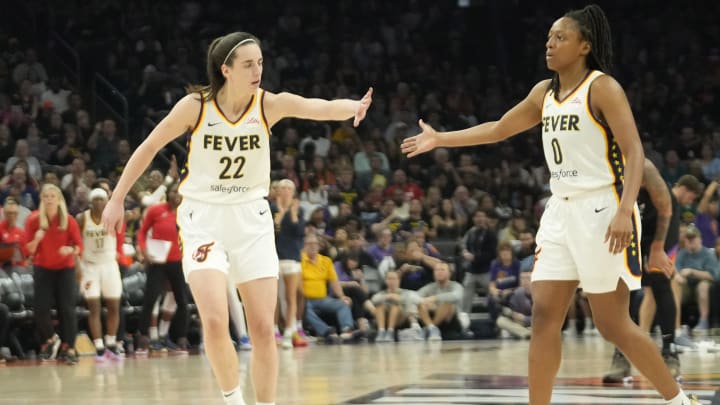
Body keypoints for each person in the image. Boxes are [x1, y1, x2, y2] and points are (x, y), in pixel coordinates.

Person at [401, 5, 697, 404]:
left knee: (612, 325)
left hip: (603, 208)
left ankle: (680, 400)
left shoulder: (602, 87)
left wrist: (626, 210)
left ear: (584, 45)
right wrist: (441, 138)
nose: (550, 44)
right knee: (543, 318)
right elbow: (499, 128)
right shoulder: (544, 92)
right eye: (548, 38)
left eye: (560, 38)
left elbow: (633, 150)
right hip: (560, 210)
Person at [102, 31, 372, 405]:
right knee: (214, 320)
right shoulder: (195, 107)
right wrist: (117, 198)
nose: (258, 70)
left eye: (260, 62)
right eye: (248, 64)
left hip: (252, 218)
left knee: (263, 327)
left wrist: (352, 106)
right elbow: (149, 146)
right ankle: (233, 400)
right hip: (203, 218)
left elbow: (315, 106)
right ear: (225, 69)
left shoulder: (268, 105)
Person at [603, 163, 698, 383]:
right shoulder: (608, 175)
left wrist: (657, 248)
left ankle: (670, 352)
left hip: (663, 223)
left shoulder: (645, 170)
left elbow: (666, 212)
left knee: (660, 279)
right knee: (622, 286)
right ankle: (622, 353)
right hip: (631, 224)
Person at [25, 183, 82, 364]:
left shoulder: (69, 220)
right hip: (43, 267)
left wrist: (70, 250)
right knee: (40, 309)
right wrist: (36, 239)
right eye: (45, 196)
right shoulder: (33, 220)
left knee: (67, 309)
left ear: (59, 200)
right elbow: (28, 250)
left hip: (65, 268)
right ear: (41, 200)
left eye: (52, 196)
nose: (49, 199)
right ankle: (52, 338)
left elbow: (79, 246)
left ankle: (70, 348)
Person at [135, 183, 189, 353]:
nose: (177, 195)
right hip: (157, 261)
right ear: (168, 193)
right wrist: (144, 252)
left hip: (179, 261)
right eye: (174, 191)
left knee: (182, 302)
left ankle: (180, 338)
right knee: (151, 299)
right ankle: (143, 337)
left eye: (180, 192)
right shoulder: (156, 210)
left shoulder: (188, 212)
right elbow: (142, 232)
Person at [77, 188, 125, 361]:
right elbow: (76, 242)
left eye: (102, 199)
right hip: (90, 266)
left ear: (107, 201)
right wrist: (78, 269)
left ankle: (111, 344)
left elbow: (121, 234)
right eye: (96, 199)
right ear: (91, 201)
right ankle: (98, 347)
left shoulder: (114, 216)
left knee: (113, 306)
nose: (99, 202)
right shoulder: (82, 218)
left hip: (109, 265)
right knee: (94, 307)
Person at [272, 178, 308, 349]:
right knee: (274, 298)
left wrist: (292, 214)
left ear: (293, 192)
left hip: (292, 257)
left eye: (289, 188)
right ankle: (274, 331)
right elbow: (271, 232)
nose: (286, 190)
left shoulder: (298, 210)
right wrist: (280, 214)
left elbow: (299, 233)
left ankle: (289, 331)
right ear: (277, 191)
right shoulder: (271, 208)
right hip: (273, 257)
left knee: (290, 296)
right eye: (283, 187)